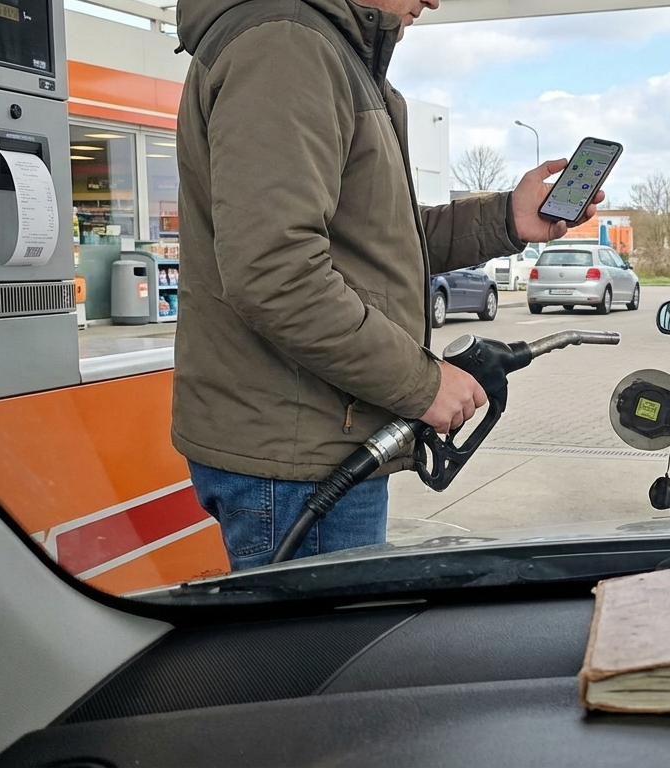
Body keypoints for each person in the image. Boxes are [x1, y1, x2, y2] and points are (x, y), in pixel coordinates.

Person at [173, 0, 602, 571]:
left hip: (313, 441)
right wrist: (422, 384)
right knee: (323, 633)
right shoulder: (287, 46)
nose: (434, 1)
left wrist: (506, 219)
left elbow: (379, 237)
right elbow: (276, 272)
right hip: (299, 454)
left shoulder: (326, 50)